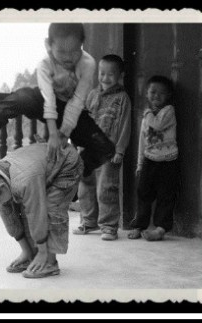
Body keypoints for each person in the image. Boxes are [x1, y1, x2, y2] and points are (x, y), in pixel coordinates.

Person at [0, 27, 112, 281]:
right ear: (48, 45)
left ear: (83, 46)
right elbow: (48, 102)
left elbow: (77, 102)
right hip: (48, 105)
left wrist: (63, 135)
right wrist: (53, 133)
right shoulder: (44, 65)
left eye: (74, 51)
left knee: (104, 148)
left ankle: (70, 178)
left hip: (73, 112)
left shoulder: (88, 64)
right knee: (24, 96)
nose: (68, 58)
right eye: (61, 51)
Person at [75, 53, 131, 241]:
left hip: (109, 151)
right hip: (89, 150)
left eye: (110, 74)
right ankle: (88, 221)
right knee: (85, 186)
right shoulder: (92, 95)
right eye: (102, 73)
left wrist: (120, 150)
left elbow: (125, 125)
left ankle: (109, 226)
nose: (105, 78)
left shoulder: (122, 98)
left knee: (106, 188)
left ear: (120, 75)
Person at [133, 76, 179, 241]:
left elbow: (157, 125)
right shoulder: (147, 116)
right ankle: (140, 225)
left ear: (168, 95)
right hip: (149, 160)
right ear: (146, 93)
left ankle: (160, 229)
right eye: (152, 92)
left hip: (168, 161)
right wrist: (140, 164)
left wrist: (147, 113)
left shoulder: (168, 111)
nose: (156, 96)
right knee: (143, 193)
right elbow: (142, 140)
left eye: (161, 93)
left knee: (166, 196)